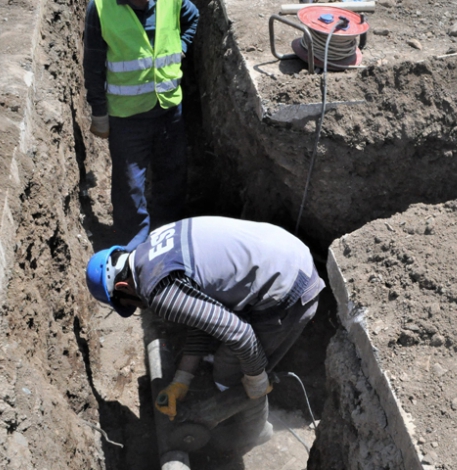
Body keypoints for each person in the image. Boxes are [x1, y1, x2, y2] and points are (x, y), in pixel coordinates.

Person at [85, 216, 325, 450]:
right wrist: (182, 379)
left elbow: (240, 333)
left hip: (289, 292)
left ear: (123, 286)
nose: (138, 307)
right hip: (286, 252)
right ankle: (249, 407)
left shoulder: (158, 290)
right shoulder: (156, 242)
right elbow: (203, 312)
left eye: (128, 303)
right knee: (242, 366)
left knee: (230, 373)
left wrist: (256, 378)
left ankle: (255, 432)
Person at [83, 0, 199, 250]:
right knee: (130, 187)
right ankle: (133, 249)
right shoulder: (101, 8)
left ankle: (168, 238)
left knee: (172, 176)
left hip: (169, 109)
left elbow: (193, 17)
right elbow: (93, 66)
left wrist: (182, 46)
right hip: (127, 118)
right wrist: (99, 112)